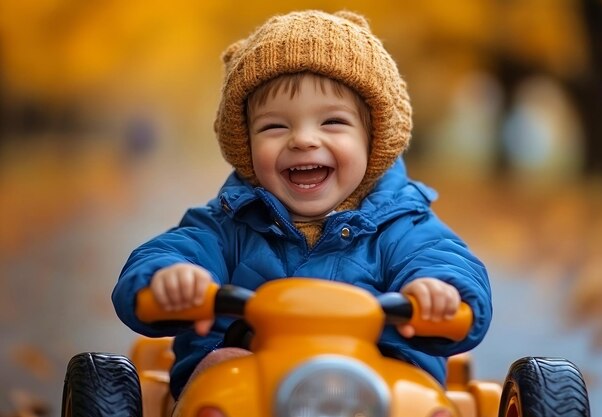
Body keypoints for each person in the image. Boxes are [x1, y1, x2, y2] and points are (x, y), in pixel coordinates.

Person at [112, 9, 492, 402]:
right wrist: (172, 276)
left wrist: (438, 290)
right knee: (220, 370)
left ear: (373, 140)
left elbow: (446, 262)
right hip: (247, 389)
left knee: (418, 399)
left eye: (332, 123)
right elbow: (171, 252)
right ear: (246, 146)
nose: (304, 140)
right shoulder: (228, 225)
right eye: (275, 126)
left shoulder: (403, 226)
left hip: (379, 387)